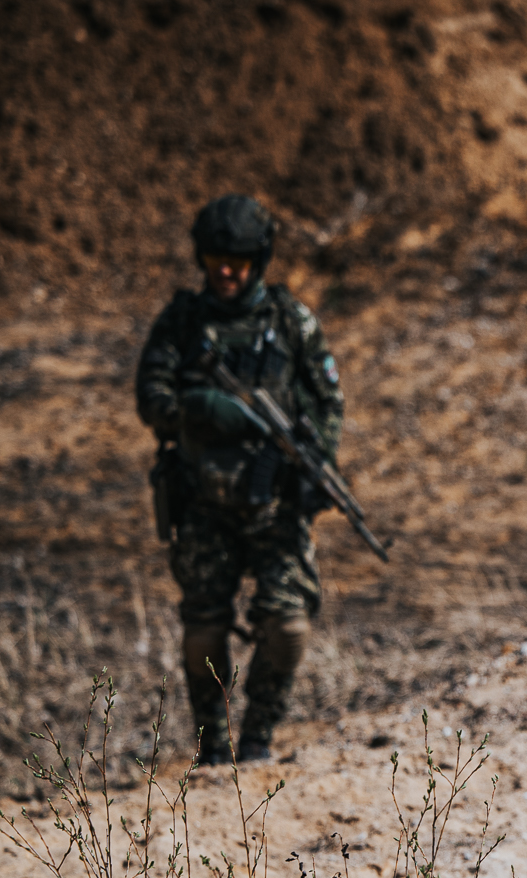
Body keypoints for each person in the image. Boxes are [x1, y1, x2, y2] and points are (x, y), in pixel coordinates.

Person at [134, 195, 345, 765]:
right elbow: (150, 398)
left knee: (288, 624)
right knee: (204, 628)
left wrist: (314, 462)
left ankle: (257, 738)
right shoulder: (183, 323)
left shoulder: (289, 322)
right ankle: (214, 743)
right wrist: (199, 408)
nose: (226, 271)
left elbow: (328, 404)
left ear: (259, 260)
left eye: (238, 260)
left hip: (274, 505)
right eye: (215, 259)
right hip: (204, 502)